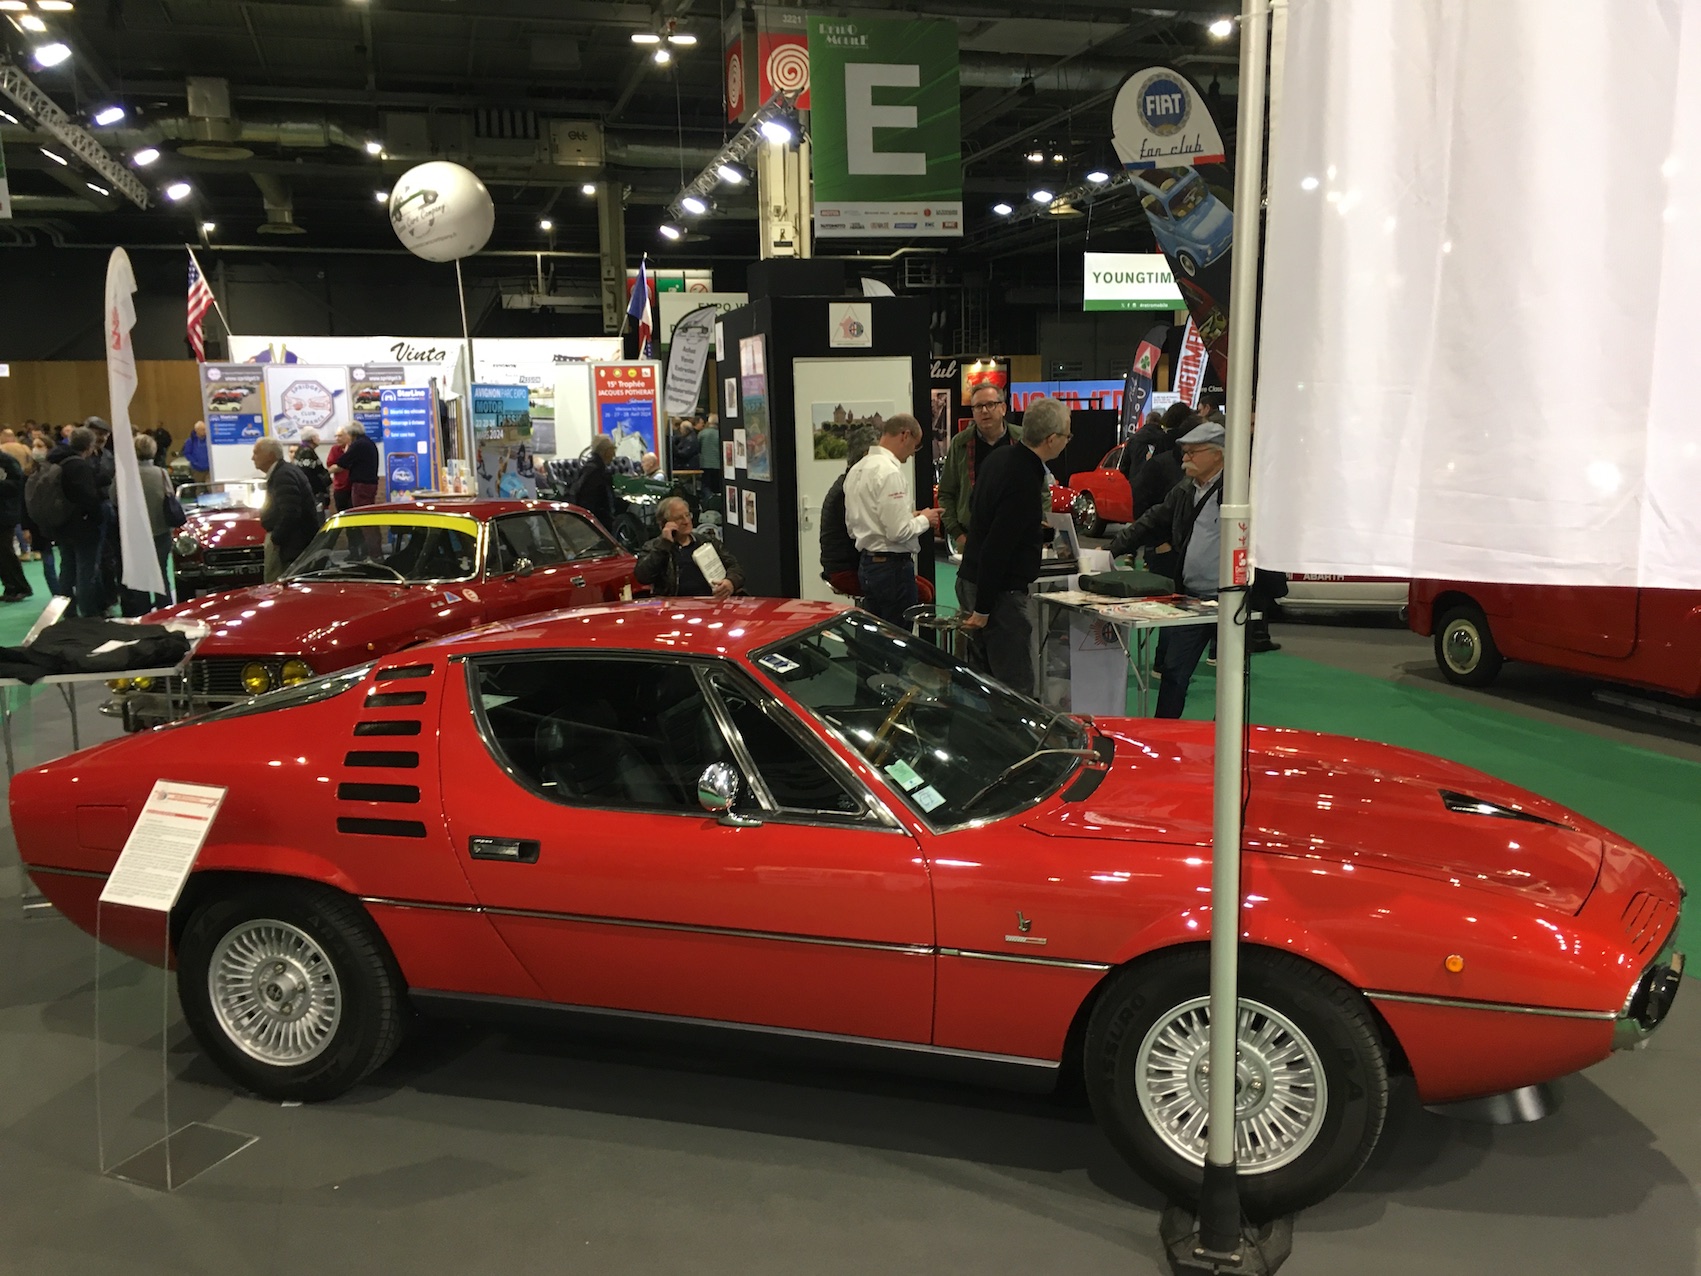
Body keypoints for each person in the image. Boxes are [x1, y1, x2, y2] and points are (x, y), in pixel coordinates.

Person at [1108, 420, 1229, 717]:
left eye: (1192, 452)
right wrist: (1112, 549)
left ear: (1218, 455)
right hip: (1193, 598)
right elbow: (1153, 519)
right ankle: (1164, 733)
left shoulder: (1239, 492)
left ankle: (1225, 737)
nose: (1184, 458)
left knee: (1232, 679)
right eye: (1185, 452)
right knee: (1174, 673)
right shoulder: (1186, 490)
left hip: (1231, 600)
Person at [957, 397, 1073, 695]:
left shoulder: (1000, 457)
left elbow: (979, 511)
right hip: (999, 595)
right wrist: (983, 608)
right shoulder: (1023, 476)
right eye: (1067, 435)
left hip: (974, 580)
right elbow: (997, 546)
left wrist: (1029, 528)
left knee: (981, 683)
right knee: (1014, 689)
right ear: (1051, 439)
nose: (1067, 442)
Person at [843, 413, 940, 628]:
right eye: (916, 445)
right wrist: (925, 519)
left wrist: (908, 517)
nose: (913, 453)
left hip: (867, 564)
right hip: (892, 568)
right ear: (905, 435)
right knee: (897, 638)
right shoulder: (889, 473)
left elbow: (854, 525)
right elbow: (898, 532)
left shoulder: (857, 470)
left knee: (872, 635)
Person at [937, 383, 1014, 556]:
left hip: (1016, 537)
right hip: (972, 538)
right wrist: (958, 534)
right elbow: (946, 493)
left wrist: (1039, 524)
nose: (984, 411)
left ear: (1003, 408)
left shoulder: (1021, 440)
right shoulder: (960, 443)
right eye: (978, 406)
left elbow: (1041, 490)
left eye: (990, 404)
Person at [634, 496, 743, 598]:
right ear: (664, 523)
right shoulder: (655, 547)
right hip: (673, 605)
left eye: (687, 515)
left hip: (710, 601)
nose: (686, 521)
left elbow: (735, 568)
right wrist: (664, 545)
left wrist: (731, 582)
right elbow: (643, 577)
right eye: (679, 518)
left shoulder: (708, 541)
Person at [48, 426, 106, 616]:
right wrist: (98, 517)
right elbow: (88, 498)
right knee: (85, 572)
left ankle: (68, 611)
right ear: (89, 446)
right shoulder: (79, 466)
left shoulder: (57, 460)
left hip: (62, 523)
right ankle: (89, 614)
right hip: (82, 525)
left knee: (67, 570)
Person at [819, 424, 881, 593]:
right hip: (845, 569)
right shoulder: (850, 488)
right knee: (917, 590)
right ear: (866, 455)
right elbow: (865, 532)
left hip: (842, 564)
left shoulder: (846, 482)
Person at [119, 433, 175, 615]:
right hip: (161, 530)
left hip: (136, 532)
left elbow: (114, 497)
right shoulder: (161, 473)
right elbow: (170, 497)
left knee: (140, 576)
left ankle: (142, 614)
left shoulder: (125, 474)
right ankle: (165, 611)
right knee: (161, 573)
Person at [254, 437, 320, 581]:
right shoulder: (285, 471)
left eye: (256, 453)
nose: (253, 458)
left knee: (276, 583)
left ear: (270, 455)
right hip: (293, 542)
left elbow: (291, 511)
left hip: (290, 543)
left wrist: (276, 538)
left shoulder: (283, 475)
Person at [0, 441, 33, 602]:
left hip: (5, 514)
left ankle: (21, 587)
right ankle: (10, 587)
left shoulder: (7, 461)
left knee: (5, 551)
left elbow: (17, 486)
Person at [575, 435, 625, 534]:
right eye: (613, 450)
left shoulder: (592, 468)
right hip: (598, 523)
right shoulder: (597, 472)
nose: (614, 455)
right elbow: (594, 502)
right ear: (606, 451)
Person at [333, 422, 380, 507]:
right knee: (368, 508)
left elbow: (342, 462)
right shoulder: (368, 442)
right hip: (371, 483)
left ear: (351, 433)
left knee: (360, 509)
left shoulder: (358, 444)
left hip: (362, 485)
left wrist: (327, 472)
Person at [294, 429, 333, 513]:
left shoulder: (303, 449)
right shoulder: (306, 452)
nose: (319, 439)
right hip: (313, 492)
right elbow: (310, 474)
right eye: (317, 437)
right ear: (313, 438)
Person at [326, 426, 354, 512]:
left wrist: (339, 466)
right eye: (336, 436)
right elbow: (330, 469)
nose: (337, 439)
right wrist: (345, 462)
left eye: (340, 436)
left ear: (348, 436)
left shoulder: (355, 448)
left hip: (354, 488)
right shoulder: (334, 449)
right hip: (340, 488)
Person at [698, 413, 721, 499]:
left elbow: (698, 448)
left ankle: (708, 501)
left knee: (706, 486)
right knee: (717, 487)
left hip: (705, 464)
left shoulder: (702, 433)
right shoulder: (720, 434)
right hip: (718, 464)